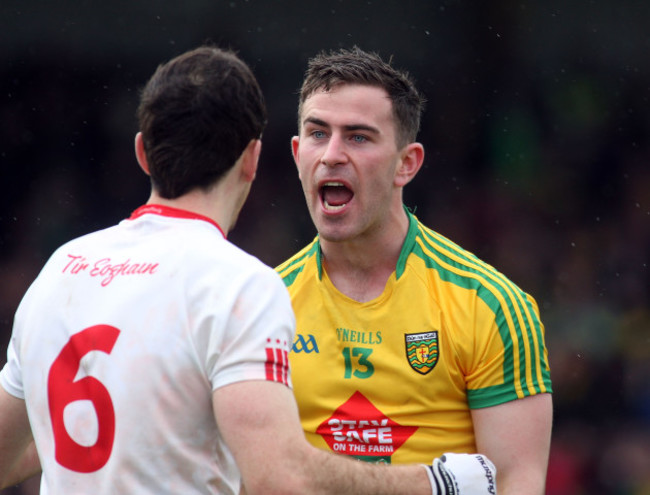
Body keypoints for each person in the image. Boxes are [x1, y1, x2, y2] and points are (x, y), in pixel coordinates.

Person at [0, 46, 496, 495]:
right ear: (253, 159)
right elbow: (278, 477)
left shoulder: (60, 270)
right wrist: (437, 481)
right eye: (319, 134)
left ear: (141, 153)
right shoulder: (238, 284)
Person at [276, 46, 553, 495]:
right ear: (296, 152)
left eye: (358, 137)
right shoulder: (262, 305)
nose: (331, 154)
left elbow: (515, 483)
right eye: (317, 133)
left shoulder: (493, 306)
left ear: (407, 163)